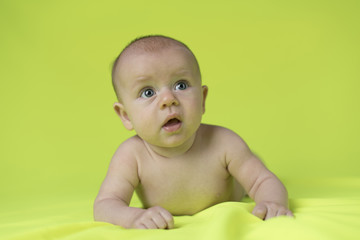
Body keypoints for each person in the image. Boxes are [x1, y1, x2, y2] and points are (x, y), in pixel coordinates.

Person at [93, 35, 293, 229]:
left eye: (181, 85)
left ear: (203, 99)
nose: (168, 99)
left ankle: (252, 159)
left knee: (252, 166)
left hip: (236, 184)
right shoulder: (131, 156)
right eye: (148, 92)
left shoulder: (224, 143)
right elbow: (105, 204)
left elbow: (263, 181)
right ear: (126, 115)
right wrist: (132, 217)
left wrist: (272, 202)